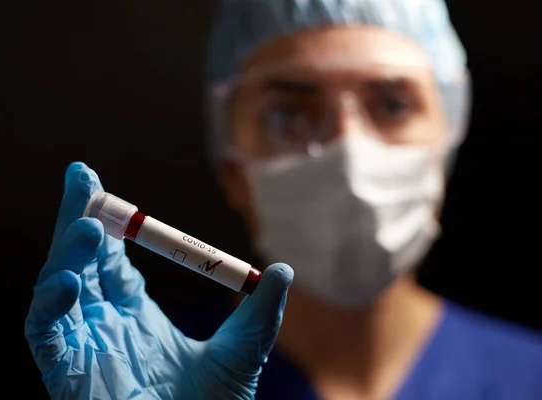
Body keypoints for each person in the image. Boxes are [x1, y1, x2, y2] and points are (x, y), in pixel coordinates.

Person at [26, 0, 542, 399]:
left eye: (391, 103)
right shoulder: (133, 366)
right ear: (232, 166)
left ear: (447, 138)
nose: (349, 155)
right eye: (289, 114)